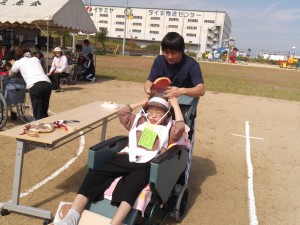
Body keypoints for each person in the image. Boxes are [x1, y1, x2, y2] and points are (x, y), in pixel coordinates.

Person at [53, 95, 186, 225]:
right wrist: (142, 102)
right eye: (150, 111)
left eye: (158, 113)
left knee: (131, 188)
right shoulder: (139, 121)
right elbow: (122, 112)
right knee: (94, 175)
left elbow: (180, 128)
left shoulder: (169, 129)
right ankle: (72, 218)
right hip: (126, 157)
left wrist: (175, 105)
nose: (152, 116)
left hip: (147, 165)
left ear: (166, 114)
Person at [144, 32, 205, 98]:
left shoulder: (192, 64)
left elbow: (201, 90)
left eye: (173, 53)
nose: (169, 56)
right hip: (162, 100)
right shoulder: (159, 61)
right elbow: (149, 82)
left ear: (181, 51)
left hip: (184, 103)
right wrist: (148, 90)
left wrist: (181, 91)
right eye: (166, 52)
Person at [8, 48, 52, 120]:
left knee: (38, 114)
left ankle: (40, 127)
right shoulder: (36, 59)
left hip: (35, 86)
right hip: (47, 83)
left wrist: (13, 64)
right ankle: (48, 126)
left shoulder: (18, 62)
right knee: (44, 111)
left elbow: (10, 75)